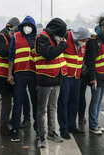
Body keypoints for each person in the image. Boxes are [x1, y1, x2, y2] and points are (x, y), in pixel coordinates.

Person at [34, 18, 68, 148]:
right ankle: (42, 135)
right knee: (42, 109)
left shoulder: (56, 38)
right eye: (61, 32)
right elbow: (49, 54)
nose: (62, 35)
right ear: (55, 30)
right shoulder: (42, 38)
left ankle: (52, 131)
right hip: (45, 79)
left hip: (57, 78)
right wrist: (61, 46)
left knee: (53, 107)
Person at [7, 15, 38, 142]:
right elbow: (11, 56)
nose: (28, 28)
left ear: (33, 27)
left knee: (36, 102)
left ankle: (38, 129)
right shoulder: (16, 36)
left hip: (33, 74)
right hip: (19, 74)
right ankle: (15, 129)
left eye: (30, 26)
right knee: (18, 102)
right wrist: (10, 74)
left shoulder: (37, 38)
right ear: (21, 26)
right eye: (26, 25)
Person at [57, 27, 90, 140]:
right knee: (63, 102)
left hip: (76, 77)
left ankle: (72, 126)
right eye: (84, 40)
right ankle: (63, 128)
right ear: (79, 37)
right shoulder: (66, 38)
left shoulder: (82, 43)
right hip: (66, 77)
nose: (85, 42)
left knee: (74, 102)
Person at [85, 17, 104, 135]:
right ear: (102, 28)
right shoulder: (94, 40)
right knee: (95, 101)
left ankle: (95, 123)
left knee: (99, 101)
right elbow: (90, 61)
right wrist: (92, 78)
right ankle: (93, 125)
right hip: (97, 75)